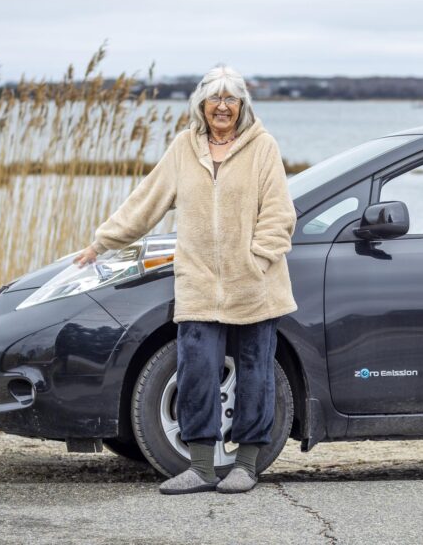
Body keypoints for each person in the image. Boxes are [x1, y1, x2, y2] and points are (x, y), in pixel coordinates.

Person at [73, 64, 296, 495]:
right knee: (196, 371)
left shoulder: (262, 147)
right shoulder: (183, 148)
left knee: (255, 372)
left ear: (243, 106)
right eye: (216, 98)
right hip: (198, 282)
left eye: (232, 99)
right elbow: (146, 202)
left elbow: (279, 214)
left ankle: (246, 465)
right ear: (201, 104)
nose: (223, 107)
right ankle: (200, 467)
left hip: (255, 283)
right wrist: (101, 244)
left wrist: (258, 259)